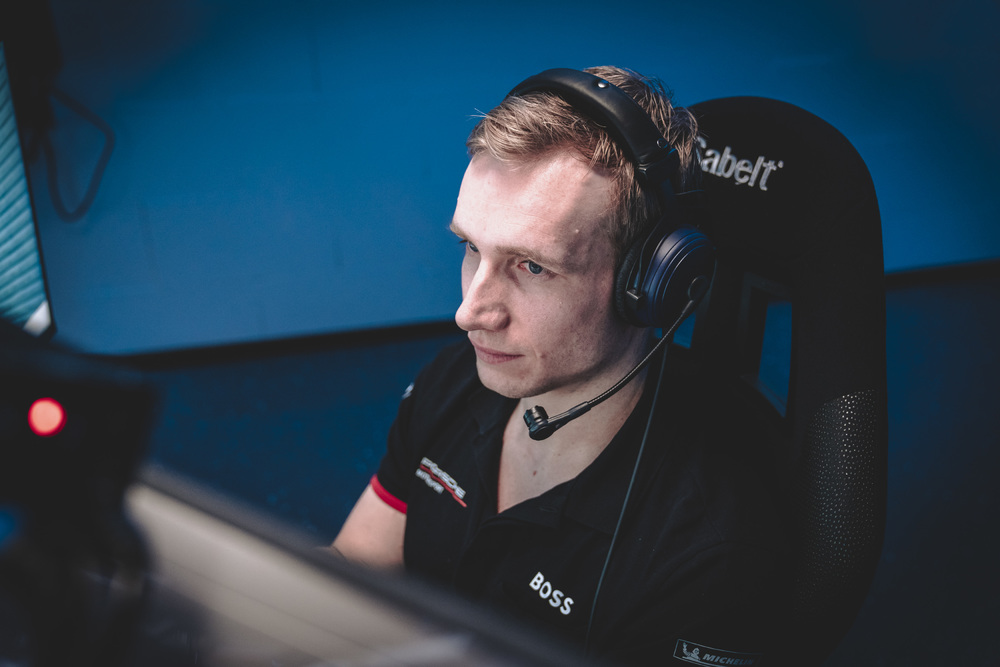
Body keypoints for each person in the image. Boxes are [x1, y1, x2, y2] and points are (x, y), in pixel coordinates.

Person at [333, 66, 789, 665]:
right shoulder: (457, 378)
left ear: (645, 286)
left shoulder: (705, 545)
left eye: (532, 266)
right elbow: (352, 566)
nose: (469, 314)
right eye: (471, 248)